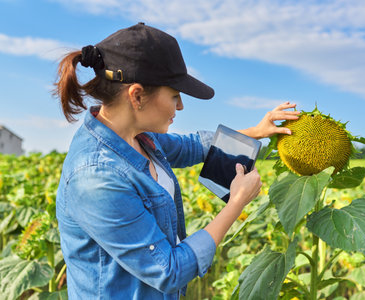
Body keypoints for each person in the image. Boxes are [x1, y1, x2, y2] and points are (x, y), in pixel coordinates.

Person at [54, 22, 299, 299]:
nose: (180, 106)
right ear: (136, 96)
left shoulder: (137, 136)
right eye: (174, 95)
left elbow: (192, 146)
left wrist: (257, 130)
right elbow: (168, 271)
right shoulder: (96, 177)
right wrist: (236, 203)